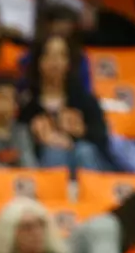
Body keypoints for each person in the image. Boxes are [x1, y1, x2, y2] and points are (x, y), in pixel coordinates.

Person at [18, 33, 113, 173]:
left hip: (85, 160)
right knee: (54, 152)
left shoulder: (84, 100)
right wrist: (40, 138)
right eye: (49, 55)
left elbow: (102, 140)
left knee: (84, 151)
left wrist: (78, 134)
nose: (55, 62)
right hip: (42, 165)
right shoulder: (27, 104)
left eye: (61, 55)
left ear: (69, 62)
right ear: (38, 61)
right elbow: (18, 145)